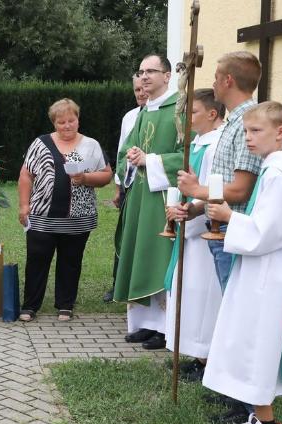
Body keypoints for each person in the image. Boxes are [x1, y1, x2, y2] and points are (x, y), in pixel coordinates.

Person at [204, 101, 282, 424]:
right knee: (250, 346)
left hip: (267, 278)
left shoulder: (279, 175)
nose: (248, 138)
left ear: (280, 133)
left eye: (256, 131)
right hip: (261, 272)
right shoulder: (274, 168)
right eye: (246, 131)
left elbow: (270, 231)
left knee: (256, 348)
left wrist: (230, 217)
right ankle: (261, 423)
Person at [17, 98, 112, 322]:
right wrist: (24, 205)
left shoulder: (91, 145)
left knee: (71, 261)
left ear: (78, 120)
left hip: (78, 218)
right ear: (54, 123)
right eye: (61, 122)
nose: (67, 125)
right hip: (41, 217)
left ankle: (65, 305)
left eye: (71, 120)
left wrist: (86, 177)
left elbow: (107, 174)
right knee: (37, 260)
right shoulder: (40, 143)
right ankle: (30, 306)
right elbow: (25, 175)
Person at [112, 54, 184, 350]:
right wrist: (130, 160)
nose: (144, 77)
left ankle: (166, 328)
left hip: (163, 198)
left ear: (167, 76)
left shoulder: (179, 109)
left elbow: (187, 156)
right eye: (141, 72)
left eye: (151, 71)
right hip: (141, 195)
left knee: (158, 260)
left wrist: (150, 160)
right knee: (140, 256)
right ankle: (146, 323)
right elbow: (126, 151)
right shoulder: (142, 112)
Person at [178, 51, 263, 293]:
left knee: (236, 304)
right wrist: (195, 208)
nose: (213, 83)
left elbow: (241, 189)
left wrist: (196, 190)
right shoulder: (234, 122)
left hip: (233, 230)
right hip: (221, 226)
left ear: (228, 80)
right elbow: (224, 182)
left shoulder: (249, 121)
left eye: (216, 78)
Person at [164, 88, 224, 381]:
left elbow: (214, 188)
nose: (188, 118)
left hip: (203, 231)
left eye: (194, 112)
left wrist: (191, 209)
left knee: (204, 296)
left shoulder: (217, 145)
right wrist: (175, 207)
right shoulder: (198, 142)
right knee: (190, 294)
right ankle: (198, 356)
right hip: (189, 226)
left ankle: (209, 357)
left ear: (212, 114)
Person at [104, 74, 149, 303]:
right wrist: (118, 187)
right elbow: (122, 151)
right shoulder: (130, 117)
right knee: (123, 234)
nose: (140, 93)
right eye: (136, 90)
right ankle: (118, 282)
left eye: (143, 88)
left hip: (149, 183)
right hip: (129, 184)